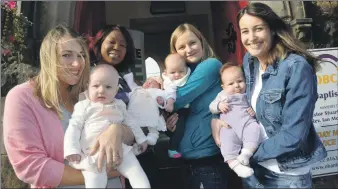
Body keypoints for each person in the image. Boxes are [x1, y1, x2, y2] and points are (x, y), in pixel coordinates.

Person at [3, 25, 135, 188]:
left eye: (81, 55)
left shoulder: (91, 92)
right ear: (48, 57)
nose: (77, 63)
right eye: (67, 55)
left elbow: (132, 133)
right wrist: (101, 174)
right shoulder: (22, 97)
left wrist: (118, 130)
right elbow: (30, 166)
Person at [214, 3, 327, 188]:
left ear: (273, 29)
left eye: (258, 29)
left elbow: (294, 135)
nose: (251, 38)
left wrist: (248, 154)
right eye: (245, 31)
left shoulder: (296, 68)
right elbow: (234, 95)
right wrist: (216, 118)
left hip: (286, 174)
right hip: (253, 170)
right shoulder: (250, 61)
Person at [89, 24, 160, 189]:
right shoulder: (89, 76)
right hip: (111, 156)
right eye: (112, 42)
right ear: (99, 43)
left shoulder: (124, 78)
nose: (117, 48)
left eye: (122, 45)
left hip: (141, 151)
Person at [165, 23, 230, 189]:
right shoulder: (183, 77)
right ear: (175, 52)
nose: (188, 49)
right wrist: (169, 124)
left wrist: (159, 94)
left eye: (192, 43)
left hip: (207, 160)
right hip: (188, 161)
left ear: (202, 42)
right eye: (181, 47)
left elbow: (176, 99)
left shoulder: (210, 65)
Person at [64, 63, 150, 188]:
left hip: (120, 151)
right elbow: (74, 127)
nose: (101, 90)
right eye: (96, 86)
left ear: (116, 90)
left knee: (136, 173)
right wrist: (71, 149)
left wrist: (142, 139)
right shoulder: (83, 106)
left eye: (108, 87)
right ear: (88, 87)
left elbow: (131, 123)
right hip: (93, 154)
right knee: (95, 182)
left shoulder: (119, 105)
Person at [209, 63, 264, 178]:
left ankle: (245, 155)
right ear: (223, 87)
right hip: (229, 127)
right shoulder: (222, 95)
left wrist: (252, 111)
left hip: (246, 123)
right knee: (226, 144)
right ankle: (236, 166)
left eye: (240, 81)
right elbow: (211, 107)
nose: (237, 86)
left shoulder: (247, 94)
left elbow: (254, 107)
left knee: (255, 129)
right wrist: (219, 105)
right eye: (231, 83)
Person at [124, 76, 167, 149]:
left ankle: (153, 137)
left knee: (153, 127)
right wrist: (129, 77)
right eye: (147, 81)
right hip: (135, 115)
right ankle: (135, 146)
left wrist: (161, 101)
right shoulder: (137, 89)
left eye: (152, 82)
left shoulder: (155, 91)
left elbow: (162, 98)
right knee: (135, 129)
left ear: (158, 87)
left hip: (151, 115)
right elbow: (131, 84)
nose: (148, 83)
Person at [162, 53, 191, 158]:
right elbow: (170, 92)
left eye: (181, 71)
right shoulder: (169, 82)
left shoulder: (189, 76)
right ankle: (172, 148)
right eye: (173, 72)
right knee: (179, 129)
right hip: (176, 110)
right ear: (166, 72)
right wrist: (170, 103)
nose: (177, 75)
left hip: (183, 109)